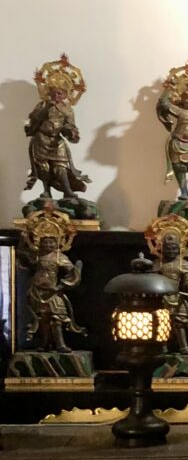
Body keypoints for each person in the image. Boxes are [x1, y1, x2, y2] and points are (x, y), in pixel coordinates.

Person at [20, 216, 85, 353]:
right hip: (37, 290)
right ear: (40, 242)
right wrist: (24, 239)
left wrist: (61, 286)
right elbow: (25, 258)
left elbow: (71, 272)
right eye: (45, 242)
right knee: (43, 319)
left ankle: (60, 344)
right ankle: (45, 343)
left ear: (57, 243)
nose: (48, 245)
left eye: (51, 242)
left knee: (57, 318)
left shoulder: (59, 257)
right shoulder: (37, 255)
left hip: (53, 290)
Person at [24, 72, 90, 199]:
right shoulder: (42, 105)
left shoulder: (68, 110)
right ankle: (46, 191)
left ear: (66, 95)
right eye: (53, 92)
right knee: (43, 167)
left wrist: (70, 132)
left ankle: (67, 190)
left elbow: (70, 125)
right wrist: (47, 108)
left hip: (56, 141)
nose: (56, 95)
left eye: (59, 93)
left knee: (61, 167)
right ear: (49, 92)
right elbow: (34, 119)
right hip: (41, 139)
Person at [155, 231, 188, 354]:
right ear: (162, 248)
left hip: (177, 296)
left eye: (174, 248)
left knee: (180, 322)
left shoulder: (183, 263)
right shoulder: (158, 263)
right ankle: (162, 347)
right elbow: (152, 279)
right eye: (167, 248)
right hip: (161, 296)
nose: (171, 251)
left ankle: (183, 347)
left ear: (180, 248)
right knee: (161, 321)